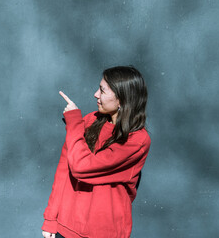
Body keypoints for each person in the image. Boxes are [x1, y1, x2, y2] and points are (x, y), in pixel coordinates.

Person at [42, 66, 151, 238]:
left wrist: (73, 122)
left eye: (102, 91)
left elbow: (82, 167)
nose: (95, 94)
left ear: (122, 100)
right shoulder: (88, 121)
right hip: (65, 229)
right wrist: (50, 219)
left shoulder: (137, 140)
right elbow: (64, 170)